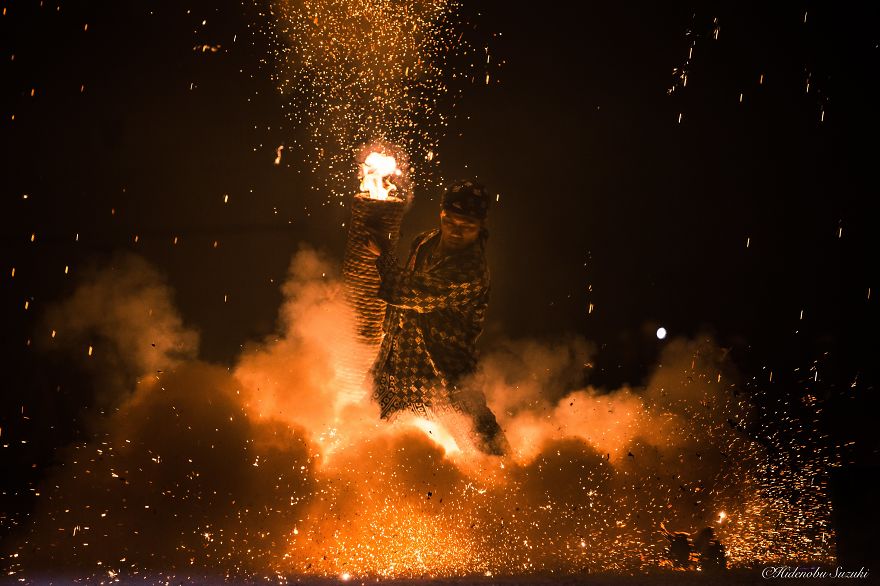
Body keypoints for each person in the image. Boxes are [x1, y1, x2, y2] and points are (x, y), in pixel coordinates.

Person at [365, 179, 509, 455]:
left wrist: (384, 254)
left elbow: (408, 292)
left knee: (490, 458)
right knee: (367, 440)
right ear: (441, 214)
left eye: (467, 226)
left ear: (480, 227)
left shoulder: (471, 272)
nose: (456, 231)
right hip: (398, 369)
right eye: (450, 221)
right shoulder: (425, 241)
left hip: (444, 377)